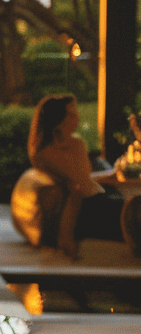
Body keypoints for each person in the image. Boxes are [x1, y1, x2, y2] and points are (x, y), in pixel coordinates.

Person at [28, 93, 125, 256]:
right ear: (57, 121)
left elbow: (84, 179)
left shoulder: (76, 143)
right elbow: (79, 181)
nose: (77, 120)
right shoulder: (45, 152)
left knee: (127, 203)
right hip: (83, 206)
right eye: (72, 115)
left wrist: (110, 176)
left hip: (90, 196)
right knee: (126, 208)